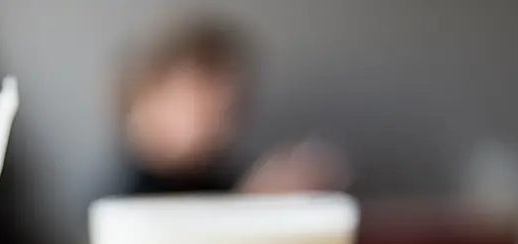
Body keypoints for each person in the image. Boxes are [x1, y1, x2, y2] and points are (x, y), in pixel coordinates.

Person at [118, 18, 347, 197]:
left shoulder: (222, 176)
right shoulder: (123, 193)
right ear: (147, 100)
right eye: (201, 105)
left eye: (231, 110)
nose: (219, 125)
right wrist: (248, 203)